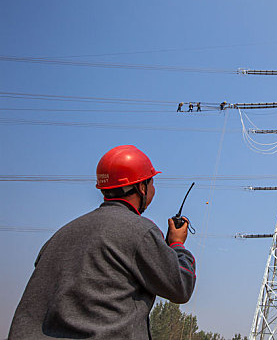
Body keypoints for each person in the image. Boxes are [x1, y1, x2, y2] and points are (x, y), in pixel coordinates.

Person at [9, 145, 196, 340]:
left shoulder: (60, 235)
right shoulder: (140, 231)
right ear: (142, 187)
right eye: (152, 183)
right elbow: (181, 287)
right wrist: (176, 246)